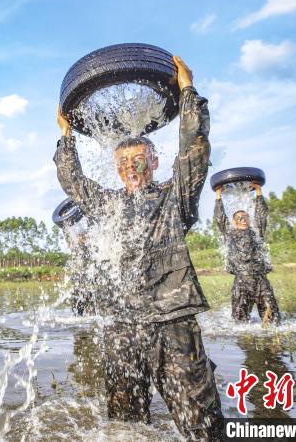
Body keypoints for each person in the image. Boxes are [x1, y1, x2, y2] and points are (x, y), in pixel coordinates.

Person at [54, 56, 223, 439]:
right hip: (121, 326)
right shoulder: (108, 205)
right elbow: (73, 182)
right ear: (117, 169)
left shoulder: (174, 196)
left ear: (154, 160)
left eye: (138, 158)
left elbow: (195, 149)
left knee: (202, 424)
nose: (131, 166)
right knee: (126, 427)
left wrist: (186, 93)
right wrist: (66, 135)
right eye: (124, 161)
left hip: (172, 322)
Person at [214, 183, 280, 325]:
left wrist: (258, 191)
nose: (243, 219)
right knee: (239, 322)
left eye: (245, 217)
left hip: (261, 281)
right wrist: (218, 196)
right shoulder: (230, 233)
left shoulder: (256, 233)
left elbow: (261, 215)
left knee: (273, 320)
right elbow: (220, 218)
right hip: (241, 282)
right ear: (234, 222)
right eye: (239, 218)